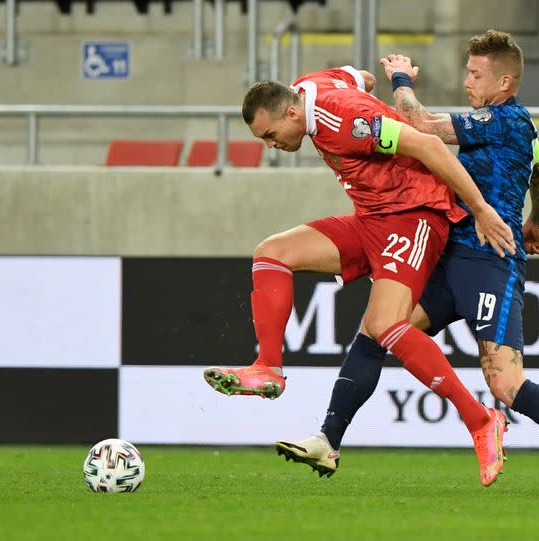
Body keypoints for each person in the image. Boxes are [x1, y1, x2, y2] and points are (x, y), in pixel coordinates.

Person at [275, 31, 539, 499]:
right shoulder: (520, 129)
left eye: (476, 74)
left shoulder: (505, 119)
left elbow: (422, 127)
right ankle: (328, 439)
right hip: (450, 253)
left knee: (505, 384)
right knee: (378, 329)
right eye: (467, 71)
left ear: (505, 81)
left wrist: (400, 80)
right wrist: (537, 221)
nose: (467, 80)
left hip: (490, 261)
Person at [204, 64, 515, 486]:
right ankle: (269, 369)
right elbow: (362, 77)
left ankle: (481, 421)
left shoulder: (346, 120)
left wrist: (480, 209)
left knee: (385, 325)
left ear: (292, 115)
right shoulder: (308, 88)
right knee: (272, 254)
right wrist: (385, 79)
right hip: (371, 217)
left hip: (412, 214)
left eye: (270, 136)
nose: (271, 146)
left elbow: (426, 144)